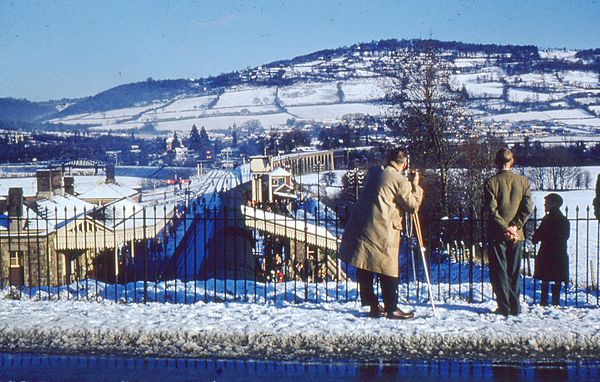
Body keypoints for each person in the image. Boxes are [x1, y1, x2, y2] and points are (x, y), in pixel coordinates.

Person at [339, 148, 423, 319]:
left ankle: (373, 305)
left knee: (365, 264)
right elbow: (412, 206)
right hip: (384, 228)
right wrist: (415, 186)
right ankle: (392, 307)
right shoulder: (400, 181)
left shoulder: (375, 172)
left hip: (363, 225)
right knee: (388, 268)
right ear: (404, 163)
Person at [484, 148, 533, 316]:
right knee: (514, 271)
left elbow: (492, 211)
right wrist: (515, 227)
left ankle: (504, 306)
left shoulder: (491, 182)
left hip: (498, 234)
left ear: (496, 162)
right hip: (517, 234)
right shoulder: (523, 181)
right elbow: (527, 208)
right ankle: (515, 306)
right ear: (512, 161)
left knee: (499, 271)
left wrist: (504, 227)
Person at [532, 193, 569, 306]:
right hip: (559, 252)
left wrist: (536, 238)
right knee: (557, 278)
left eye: (547, 203)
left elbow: (540, 234)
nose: (545, 205)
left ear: (554, 204)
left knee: (545, 278)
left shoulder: (548, 219)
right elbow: (566, 236)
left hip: (547, 251)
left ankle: (543, 301)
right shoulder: (564, 220)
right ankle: (555, 301)